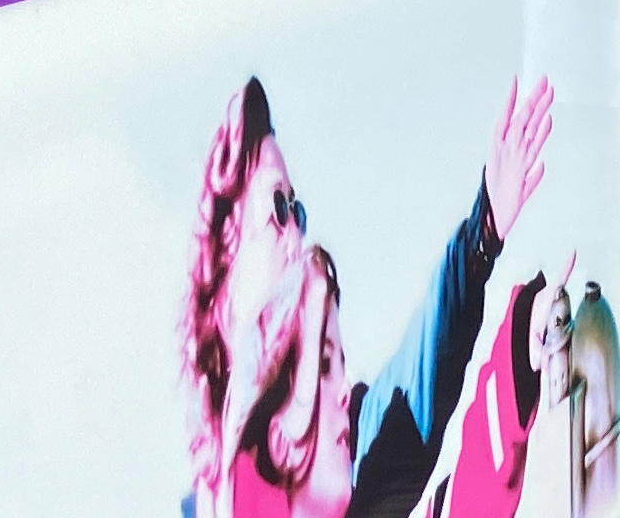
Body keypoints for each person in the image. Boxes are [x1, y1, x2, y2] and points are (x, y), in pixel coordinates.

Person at [184, 70, 556, 518]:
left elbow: (413, 395)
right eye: (278, 210)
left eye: (297, 211)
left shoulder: (346, 447)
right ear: (223, 283)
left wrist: (487, 239)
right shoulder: (209, 496)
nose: (297, 235)